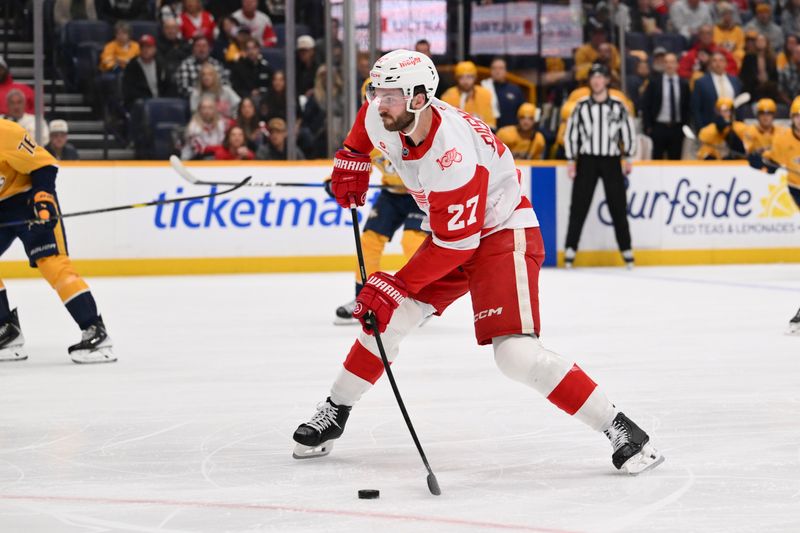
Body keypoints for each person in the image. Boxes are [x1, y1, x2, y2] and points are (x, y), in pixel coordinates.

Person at [292, 50, 664, 476]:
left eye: (389, 95)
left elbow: (459, 246)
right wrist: (351, 156)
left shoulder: (453, 157)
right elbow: (366, 122)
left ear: (418, 99)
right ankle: (336, 410)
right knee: (388, 322)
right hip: (452, 234)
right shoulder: (386, 113)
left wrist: (393, 284)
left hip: (501, 234)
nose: (379, 102)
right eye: (377, 92)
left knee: (516, 356)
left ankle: (620, 428)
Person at [0, 119, 115, 364]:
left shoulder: (6, 132)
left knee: (52, 263)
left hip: (27, 201)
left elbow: (45, 165)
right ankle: (5, 331)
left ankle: (95, 330)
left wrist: (43, 195)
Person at [331, 146, 427, 325]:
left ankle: (422, 301)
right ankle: (363, 299)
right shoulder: (367, 134)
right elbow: (354, 161)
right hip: (391, 195)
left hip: (422, 195)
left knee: (413, 242)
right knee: (369, 241)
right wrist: (334, 180)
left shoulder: (407, 127)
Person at [564, 64, 637, 269]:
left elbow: (628, 130)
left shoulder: (618, 105)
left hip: (611, 160)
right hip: (587, 159)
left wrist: (629, 156)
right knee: (579, 206)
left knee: (618, 207)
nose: (597, 81)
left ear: (606, 80)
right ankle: (570, 249)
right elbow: (571, 133)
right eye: (593, 77)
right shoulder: (580, 105)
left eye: (600, 77)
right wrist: (571, 160)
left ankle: (627, 251)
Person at [747, 95, 800, 335]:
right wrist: (759, 163)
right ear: (792, 119)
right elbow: (771, 165)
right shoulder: (782, 138)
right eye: (797, 116)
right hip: (796, 188)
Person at [642, 52, 690, 160]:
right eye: (666, 62)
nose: (669, 65)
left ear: (677, 65)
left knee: (675, 160)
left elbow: (687, 106)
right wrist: (648, 127)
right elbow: (646, 105)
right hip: (658, 127)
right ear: (663, 65)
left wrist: (685, 126)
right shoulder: (654, 82)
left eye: (672, 62)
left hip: (677, 128)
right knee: (657, 160)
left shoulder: (684, 84)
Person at [691, 51, 743, 128]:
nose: (718, 63)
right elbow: (696, 108)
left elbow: (740, 105)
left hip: (733, 126)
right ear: (710, 64)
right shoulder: (701, 83)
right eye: (714, 60)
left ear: (726, 63)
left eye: (721, 60)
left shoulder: (735, 81)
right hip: (710, 127)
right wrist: (700, 128)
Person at [122, 34, 173, 110]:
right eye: (142, 47)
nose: (145, 50)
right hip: (141, 105)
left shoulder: (161, 64)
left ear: (155, 49)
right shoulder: (132, 66)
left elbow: (168, 85)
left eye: (149, 47)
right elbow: (130, 91)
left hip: (161, 103)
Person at [440, 61, 496, 129]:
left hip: (481, 134)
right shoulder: (448, 96)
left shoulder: (486, 94)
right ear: (457, 78)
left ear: (475, 77)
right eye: (461, 77)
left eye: (469, 77)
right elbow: (445, 124)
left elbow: (492, 124)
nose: (465, 81)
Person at [481, 58, 525, 129]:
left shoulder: (515, 90)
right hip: (490, 130)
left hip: (511, 132)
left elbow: (522, 111)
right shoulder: (483, 88)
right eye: (494, 68)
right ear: (490, 71)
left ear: (506, 71)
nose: (497, 71)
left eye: (501, 68)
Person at [740, 33, 780, 101]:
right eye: (758, 41)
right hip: (753, 89)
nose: (760, 43)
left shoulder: (771, 58)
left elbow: (775, 77)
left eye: (762, 40)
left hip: (768, 90)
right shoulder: (748, 57)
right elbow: (744, 75)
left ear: (767, 43)